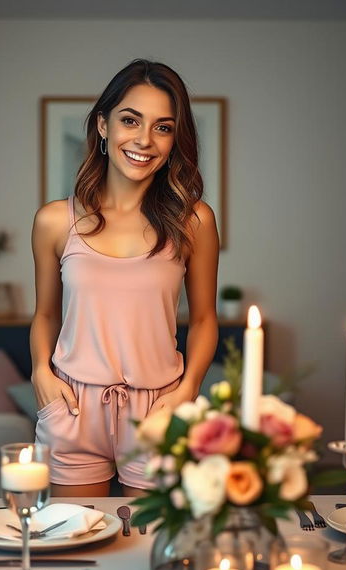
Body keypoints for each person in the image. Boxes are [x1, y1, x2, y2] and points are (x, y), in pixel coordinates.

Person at [30, 59, 219, 497]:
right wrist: (41, 370)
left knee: (152, 556)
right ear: (102, 125)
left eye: (163, 127)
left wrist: (189, 388)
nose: (144, 140)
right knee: (74, 551)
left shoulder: (194, 221)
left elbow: (205, 319)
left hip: (159, 408)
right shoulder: (55, 221)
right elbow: (44, 314)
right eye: (130, 120)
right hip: (73, 410)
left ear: (175, 140)